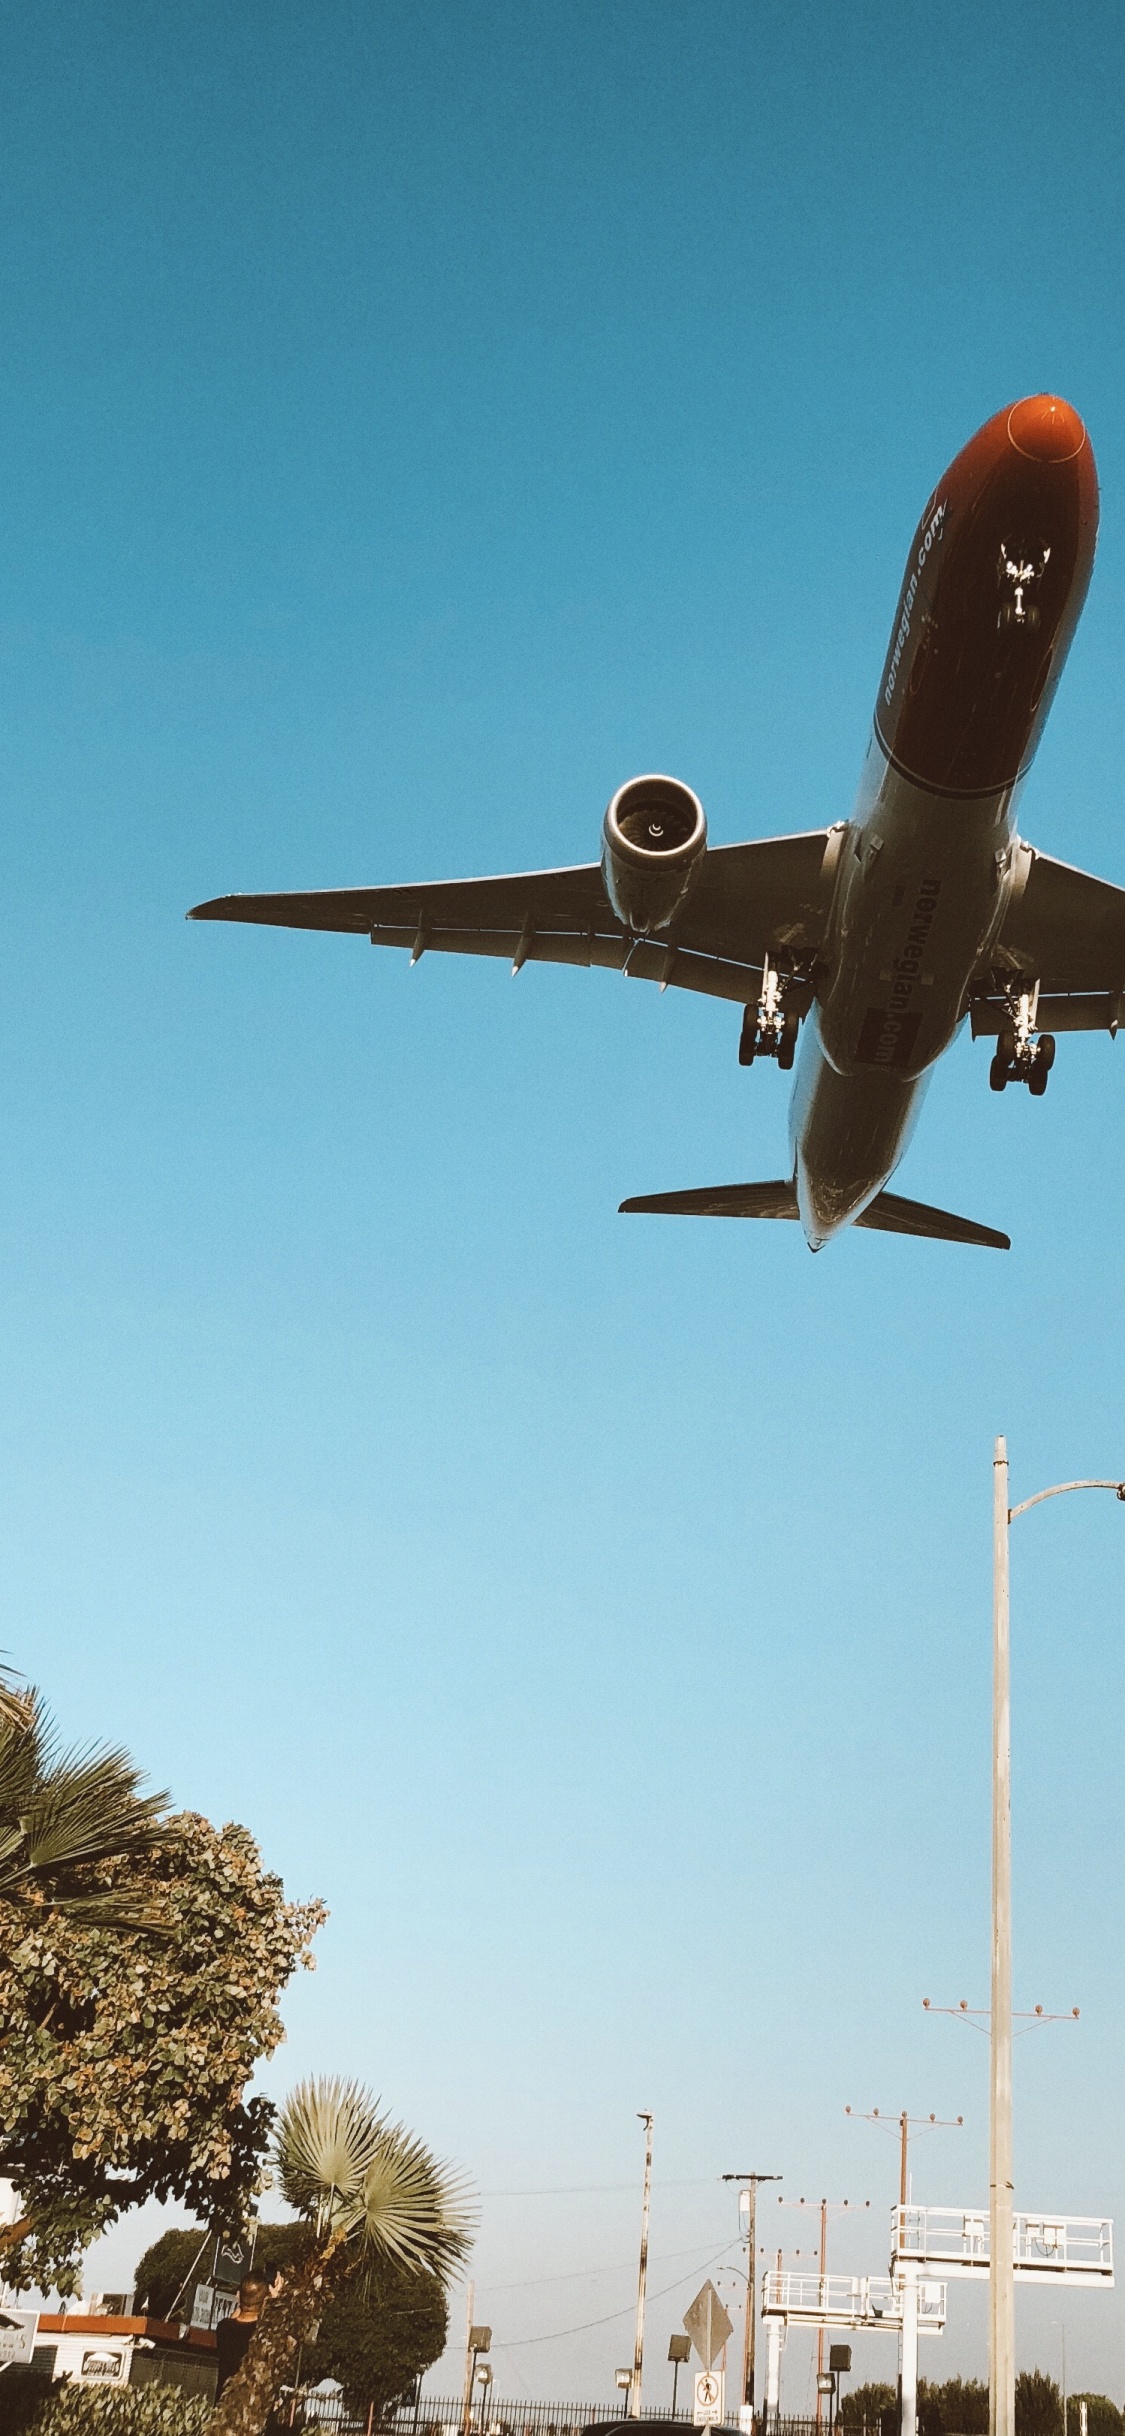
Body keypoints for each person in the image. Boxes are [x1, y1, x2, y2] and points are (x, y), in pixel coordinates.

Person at [215, 2272, 270, 2398]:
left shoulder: (223, 2328)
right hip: (254, 2406)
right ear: (265, 2301)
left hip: (224, 2403)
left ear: (238, 2295)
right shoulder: (264, 2332)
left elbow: (235, 2317)